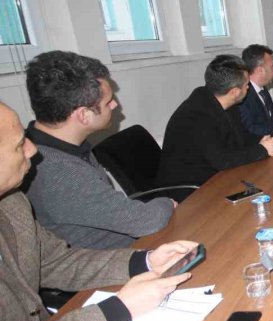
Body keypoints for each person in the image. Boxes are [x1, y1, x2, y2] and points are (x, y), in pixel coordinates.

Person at [0, 100, 196, 321]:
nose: (33, 150)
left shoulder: (11, 203)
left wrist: (144, 261)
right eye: (18, 145)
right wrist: (115, 311)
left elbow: (54, 261)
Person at [21, 51, 174, 250]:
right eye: (108, 102)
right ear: (83, 115)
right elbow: (145, 221)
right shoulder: (57, 171)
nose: (115, 104)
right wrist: (168, 203)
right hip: (114, 259)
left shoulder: (62, 145)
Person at [157, 55, 273, 192]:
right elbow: (222, 160)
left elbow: (241, 136)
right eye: (246, 85)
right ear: (234, 92)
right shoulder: (196, 117)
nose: (248, 88)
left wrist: (261, 140)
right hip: (190, 190)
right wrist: (262, 149)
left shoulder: (224, 101)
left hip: (217, 177)